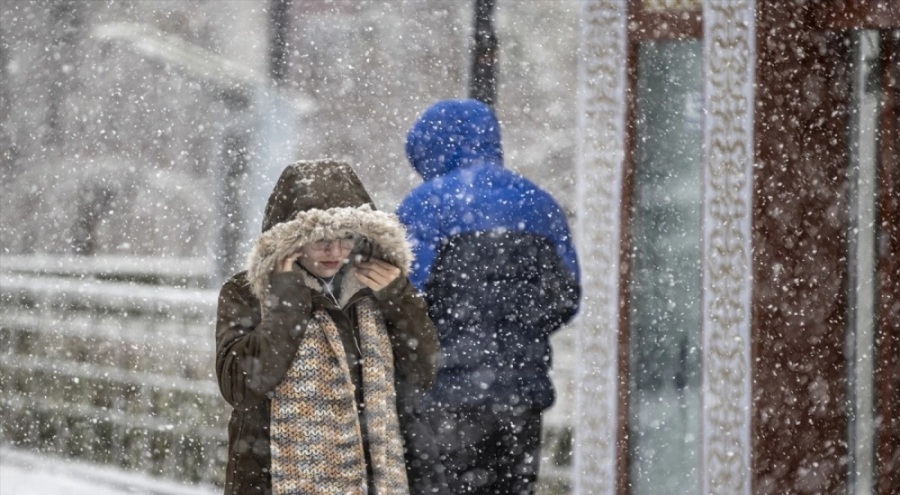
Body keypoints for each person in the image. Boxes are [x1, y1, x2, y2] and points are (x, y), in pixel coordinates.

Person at [215, 159, 443, 495]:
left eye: (347, 237)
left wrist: (400, 300)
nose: (335, 251)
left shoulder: (376, 289)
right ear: (290, 240)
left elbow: (422, 374)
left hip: (368, 482)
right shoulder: (247, 293)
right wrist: (287, 302)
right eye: (321, 239)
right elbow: (240, 386)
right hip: (268, 480)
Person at [396, 99, 581, 495]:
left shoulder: (423, 206)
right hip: (520, 396)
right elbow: (565, 299)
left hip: (441, 396)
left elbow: (405, 301)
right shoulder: (541, 205)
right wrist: (513, 336)